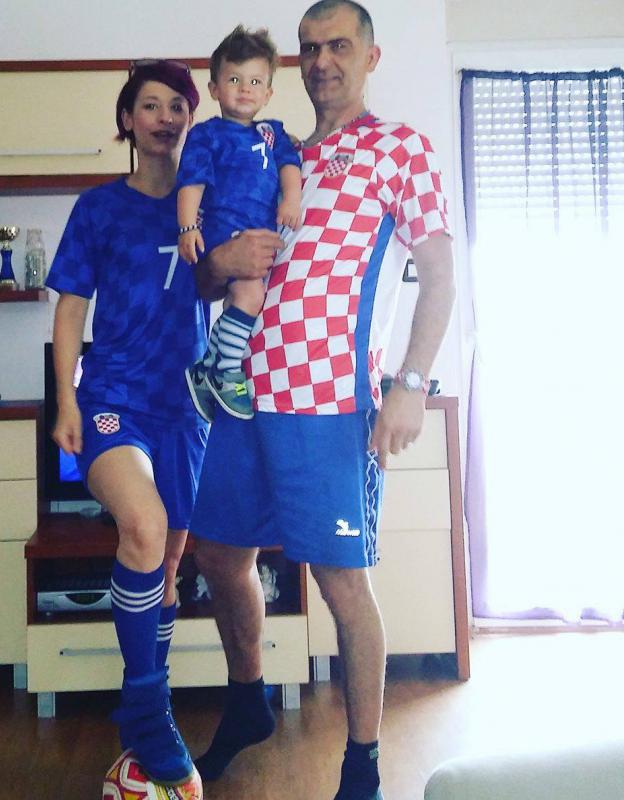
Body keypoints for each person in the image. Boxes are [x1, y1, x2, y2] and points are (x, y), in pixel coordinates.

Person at [188, 3, 456, 799]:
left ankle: (363, 763)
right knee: (218, 553)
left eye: (339, 45)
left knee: (341, 583)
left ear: (371, 56)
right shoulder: (275, 151)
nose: (321, 61)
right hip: (242, 395)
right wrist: (221, 261)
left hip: (328, 403)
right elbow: (206, 279)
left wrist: (410, 384)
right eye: (308, 48)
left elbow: (441, 275)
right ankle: (248, 700)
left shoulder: (399, 148)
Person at [45, 61, 207, 787]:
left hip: (188, 406)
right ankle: (147, 709)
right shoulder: (98, 208)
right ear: (128, 120)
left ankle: (150, 697)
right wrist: (68, 401)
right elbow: (71, 309)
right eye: (151, 105)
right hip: (115, 396)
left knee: (166, 565)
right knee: (142, 524)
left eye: (178, 106)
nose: (165, 117)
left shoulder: (205, 206)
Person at [177, 25, 302, 421]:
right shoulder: (206, 135)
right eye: (234, 80)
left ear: (268, 93)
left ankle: (206, 368)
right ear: (214, 88)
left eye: (255, 82)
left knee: (240, 302)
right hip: (224, 234)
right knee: (249, 295)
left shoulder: (273, 133)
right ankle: (227, 371)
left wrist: (292, 199)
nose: (245, 89)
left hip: (260, 235)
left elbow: (290, 166)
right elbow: (191, 183)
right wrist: (187, 228)